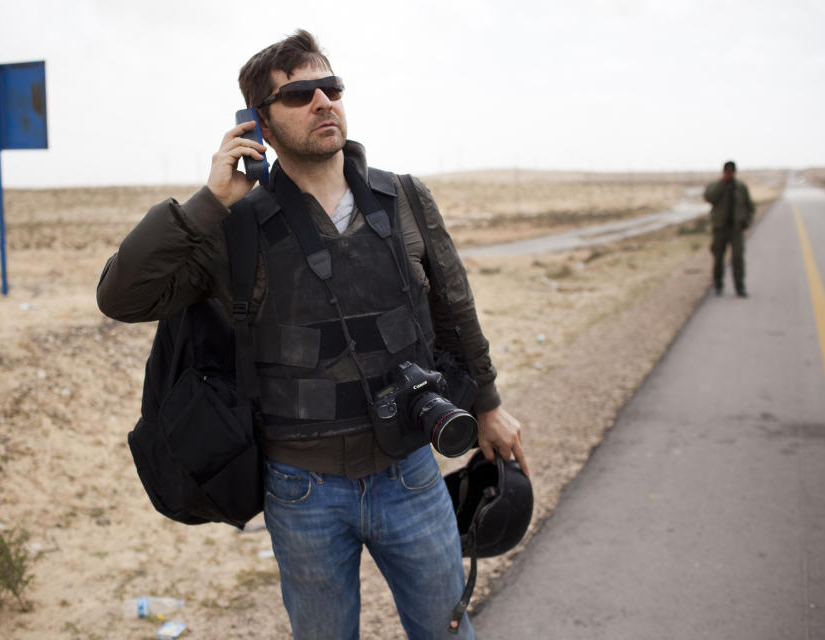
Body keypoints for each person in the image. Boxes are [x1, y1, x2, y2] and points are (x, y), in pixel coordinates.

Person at [97, 29, 528, 639]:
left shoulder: (403, 198)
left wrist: (487, 405)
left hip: (410, 473)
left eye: (332, 87)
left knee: (449, 632)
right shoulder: (233, 226)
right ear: (259, 125)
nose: (324, 101)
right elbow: (121, 297)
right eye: (300, 93)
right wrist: (207, 203)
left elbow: (456, 308)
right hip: (303, 492)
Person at [704, 160, 755, 297]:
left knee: (737, 257)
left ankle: (740, 287)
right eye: (727, 171)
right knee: (718, 258)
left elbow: (749, 206)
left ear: (735, 172)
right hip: (720, 228)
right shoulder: (716, 186)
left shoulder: (740, 187)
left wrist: (747, 221)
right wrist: (722, 184)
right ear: (723, 172)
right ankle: (718, 285)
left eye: (731, 171)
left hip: (736, 229)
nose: (729, 174)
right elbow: (709, 197)